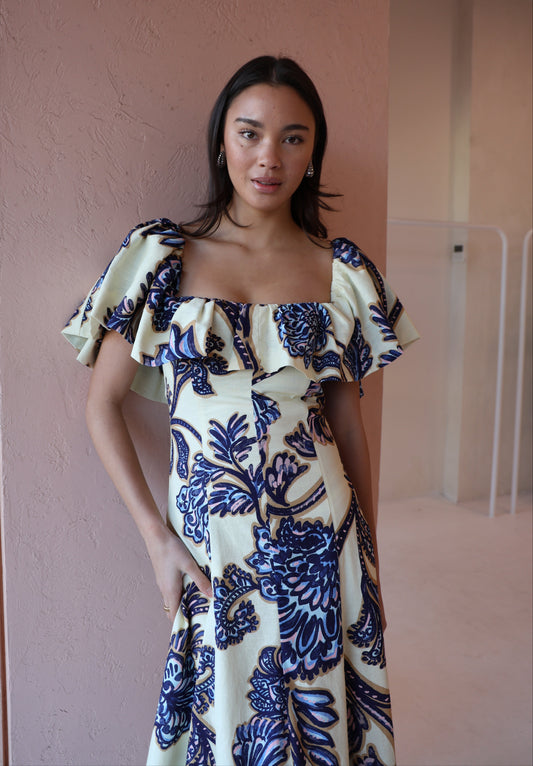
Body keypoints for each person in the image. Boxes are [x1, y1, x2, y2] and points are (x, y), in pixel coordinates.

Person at [62, 55, 418, 766]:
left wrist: (369, 561)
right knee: (229, 724)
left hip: (322, 540)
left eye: (293, 137)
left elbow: (347, 426)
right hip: (214, 553)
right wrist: (157, 541)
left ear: (313, 153)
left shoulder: (342, 271)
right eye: (249, 132)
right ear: (221, 141)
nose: (269, 157)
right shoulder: (162, 258)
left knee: (316, 728)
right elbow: (101, 405)